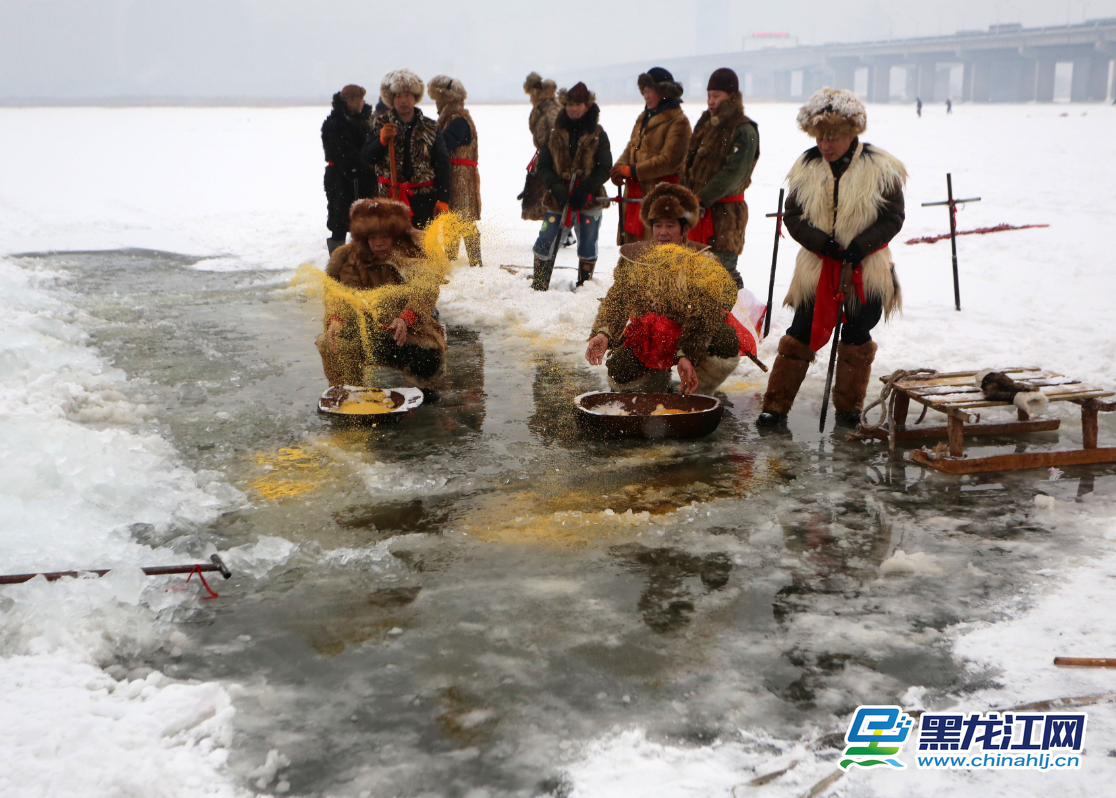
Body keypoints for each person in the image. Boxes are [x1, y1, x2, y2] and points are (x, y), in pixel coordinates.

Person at [757, 88, 907, 428]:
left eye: (834, 136)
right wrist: (822, 243)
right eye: (821, 136)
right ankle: (775, 405)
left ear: (852, 132)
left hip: (866, 269)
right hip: (817, 268)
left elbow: (893, 217)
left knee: (856, 334)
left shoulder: (880, 167)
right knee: (800, 333)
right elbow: (792, 216)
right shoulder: (807, 166)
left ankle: (849, 409)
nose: (826, 144)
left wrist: (861, 246)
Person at [585, 183, 741, 394]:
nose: (663, 233)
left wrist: (687, 354)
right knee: (622, 367)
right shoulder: (635, 258)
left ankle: (696, 393)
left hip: (690, 334)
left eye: (670, 225)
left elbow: (708, 312)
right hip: (648, 338)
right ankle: (649, 394)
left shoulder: (704, 261)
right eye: (658, 225)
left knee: (725, 339)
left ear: (685, 228)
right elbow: (618, 298)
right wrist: (603, 333)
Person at [316, 198, 446, 393]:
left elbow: (425, 288)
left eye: (384, 237)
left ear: (394, 236)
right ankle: (348, 392)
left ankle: (422, 392)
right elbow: (340, 296)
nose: (378, 244)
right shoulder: (352, 260)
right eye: (373, 238)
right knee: (332, 342)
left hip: (407, 332)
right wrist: (336, 320)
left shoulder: (412, 255)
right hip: (368, 333)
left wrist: (406, 318)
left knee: (427, 356)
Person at [530, 82, 613, 291]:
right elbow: (544, 165)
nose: (574, 108)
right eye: (570, 104)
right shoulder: (554, 134)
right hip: (557, 199)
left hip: (589, 199)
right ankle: (539, 284)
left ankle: (584, 287)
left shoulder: (598, 134)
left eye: (579, 104)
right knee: (545, 240)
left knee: (587, 243)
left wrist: (586, 189)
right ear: (565, 105)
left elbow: (605, 168)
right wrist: (555, 186)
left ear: (587, 105)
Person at [682, 67, 759, 290]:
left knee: (723, 272)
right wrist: (684, 197)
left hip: (726, 217)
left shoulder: (744, 130)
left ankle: (741, 316)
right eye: (709, 95)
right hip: (697, 212)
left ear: (731, 97)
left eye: (716, 95)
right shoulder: (706, 123)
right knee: (696, 273)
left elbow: (734, 174)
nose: (711, 101)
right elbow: (689, 164)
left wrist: (701, 198)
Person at [610, 67, 692, 245]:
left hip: (662, 197)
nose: (646, 96)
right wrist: (619, 168)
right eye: (644, 91)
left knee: (658, 251)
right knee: (633, 253)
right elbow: (632, 147)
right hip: (635, 196)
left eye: (651, 91)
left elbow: (669, 160)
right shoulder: (643, 118)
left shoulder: (679, 121)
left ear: (664, 92)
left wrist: (633, 170)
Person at [361, 69, 451, 230]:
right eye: (398, 95)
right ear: (391, 98)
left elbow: (442, 164)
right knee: (394, 249)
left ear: (415, 97)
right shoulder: (381, 123)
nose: (403, 100)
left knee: (424, 248)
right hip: (390, 198)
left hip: (424, 199)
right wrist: (381, 141)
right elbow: (367, 157)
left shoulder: (430, 126)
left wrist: (443, 198)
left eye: (407, 95)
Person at [428, 74, 482, 267]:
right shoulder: (453, 118)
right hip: (456, 175)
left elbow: (444, 142)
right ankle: (453, 258)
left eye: (438, 99)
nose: (436, 103)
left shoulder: (458, 120)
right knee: (454, 218)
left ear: (445, 100)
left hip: (461, 177)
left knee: (463, 218)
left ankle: (474, 261)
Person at [321, 84, 375, 254]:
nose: (362, 103)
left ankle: (363, 254)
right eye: (359, 100)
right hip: (340, 177)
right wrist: (361, 170)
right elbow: (344, 154)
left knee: (364, 218)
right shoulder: (335, 123)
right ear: (351, 101)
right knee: (340, 219)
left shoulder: (363, 120)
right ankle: (338, 258)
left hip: (361, 176)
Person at [520, 72, 561, 221]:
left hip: (554, 160)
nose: (530, 99)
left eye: (531, 95)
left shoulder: (551, 113)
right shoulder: (541, 111)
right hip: (546, 158)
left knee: (552, 196)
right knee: (545, 195)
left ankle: (561, 231)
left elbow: (557, 139)